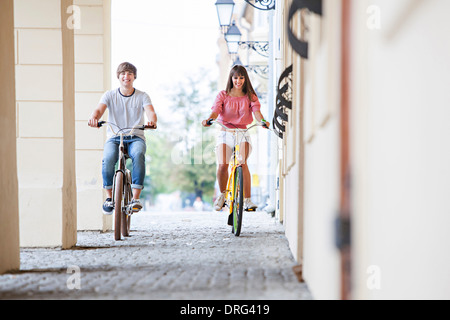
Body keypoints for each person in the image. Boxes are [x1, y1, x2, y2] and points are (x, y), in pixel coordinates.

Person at [88, 62, 157, 215]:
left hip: (135, 136)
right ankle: (109, 198)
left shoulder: (142, 96)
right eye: (123, 73)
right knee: (108, 158)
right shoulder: (109, 95)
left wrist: (152, 121)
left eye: (130, 73)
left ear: (134, 77)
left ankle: (136, 199)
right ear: (118, 76)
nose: (126, 76)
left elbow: (150, 111)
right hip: (114, 137)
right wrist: (94, 118)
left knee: (139, 155)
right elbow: (99, 109)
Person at [202, 65, 270, 212]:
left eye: (241, 77)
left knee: (242, 163)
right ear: (231, 79)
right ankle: (222, 196)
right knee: (222, 165)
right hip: (225, 132)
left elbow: (257, 112)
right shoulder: (223, 95)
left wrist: (262, 121)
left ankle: (247, 200)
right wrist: (209, 119)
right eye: (235, 78)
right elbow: (215, 111)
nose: (238, 81)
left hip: (243, 133)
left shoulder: (250, 95)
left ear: (245, 79)